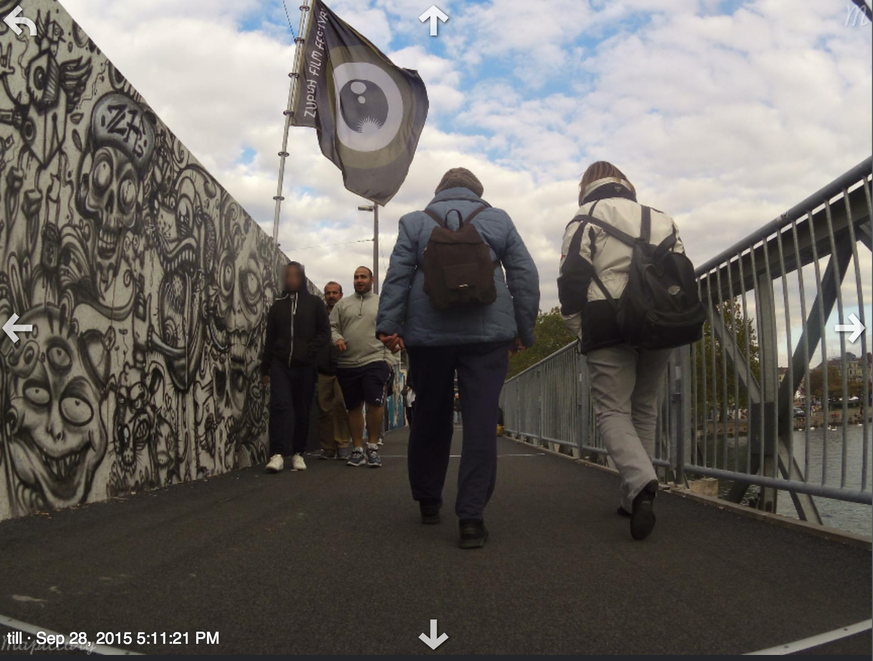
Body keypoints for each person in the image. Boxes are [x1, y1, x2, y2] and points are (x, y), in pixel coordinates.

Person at [376, 167, 540, 549]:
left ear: (438, 192)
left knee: (430, 418)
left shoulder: (415, 223)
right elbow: (524, 275)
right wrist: (523, 330)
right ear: (478, 193)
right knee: (481, 422)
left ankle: (429, 501)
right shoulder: (497, 220)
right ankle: (471, 517)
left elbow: (397, 276)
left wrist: (388, 324)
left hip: (428, 338)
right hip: (488, 337)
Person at [558, 161, 688, 541]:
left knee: (612, 408)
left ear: (585, 186)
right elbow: (680, 270)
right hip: (659, 320)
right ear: (626, 184)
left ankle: (641, 480)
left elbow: (572, 280)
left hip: (607, 318)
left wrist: (579, 329)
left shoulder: (584, 218)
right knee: (644, 407)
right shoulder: (662, 218)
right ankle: (634, 498)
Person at [261, 262, 330, 473]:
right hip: (280, 364)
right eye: (288, 275)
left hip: (306, 367)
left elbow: (324, 334)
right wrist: (265, 370)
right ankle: (277, 455)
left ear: (301, 278)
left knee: (302, 410)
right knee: (279, 407)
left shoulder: (316, 304)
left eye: (295, 275)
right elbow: (270, 339)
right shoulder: (277, 306)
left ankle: (298, 453)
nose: (291, 279)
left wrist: (308, 351)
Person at [331, 266, 399, 468]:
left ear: (372, 280)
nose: (359, 280)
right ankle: (358, 450)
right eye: (356, 277)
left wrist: (389, 361)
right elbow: (332, 327)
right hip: (347, 363)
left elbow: (391, 331)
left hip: (375, 360)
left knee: (375, 404)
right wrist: (337, 338)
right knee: (353, 407)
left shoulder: (382, 304)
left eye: (363, 277)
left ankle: (372, 447)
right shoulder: (342, 305)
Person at [317, 281, 351, 460]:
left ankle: (343, 444)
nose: (331, 296)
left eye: (334, 293)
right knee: (324, 409)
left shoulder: (346, 312)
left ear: (341, 294)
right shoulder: (318, 315)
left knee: (341, 406)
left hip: (343, 366)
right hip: (323, 367)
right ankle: (328, 448)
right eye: (328, 293)